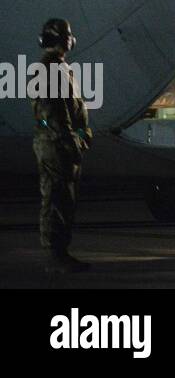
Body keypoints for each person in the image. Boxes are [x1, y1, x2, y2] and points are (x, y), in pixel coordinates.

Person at [32, 18, 92, 274]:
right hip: (58, 144)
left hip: (57, 142)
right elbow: (57, 113)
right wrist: (73, 140)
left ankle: (58, 254)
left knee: (60, 199)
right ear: (64, 39)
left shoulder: (55, 68)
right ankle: (56, 257)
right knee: (57, 199)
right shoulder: (51, 70)